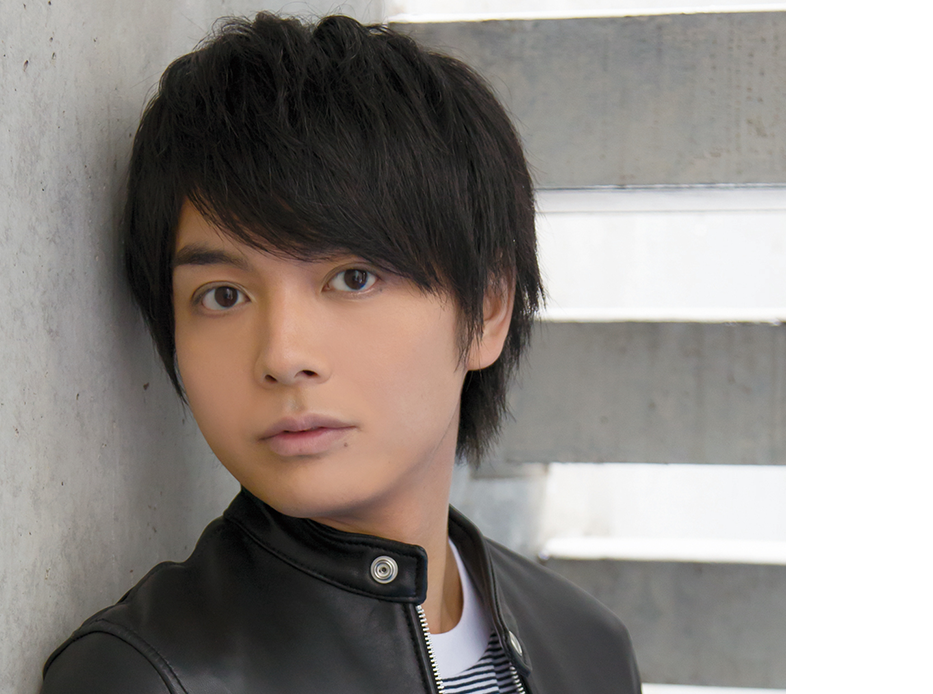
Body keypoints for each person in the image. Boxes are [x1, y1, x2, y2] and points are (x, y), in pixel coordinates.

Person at [41, 12, 640, 694]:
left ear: (488, 308)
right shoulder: (147, 679)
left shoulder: (586, 646)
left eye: (353, 278)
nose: (283, 355)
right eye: (223, 296)